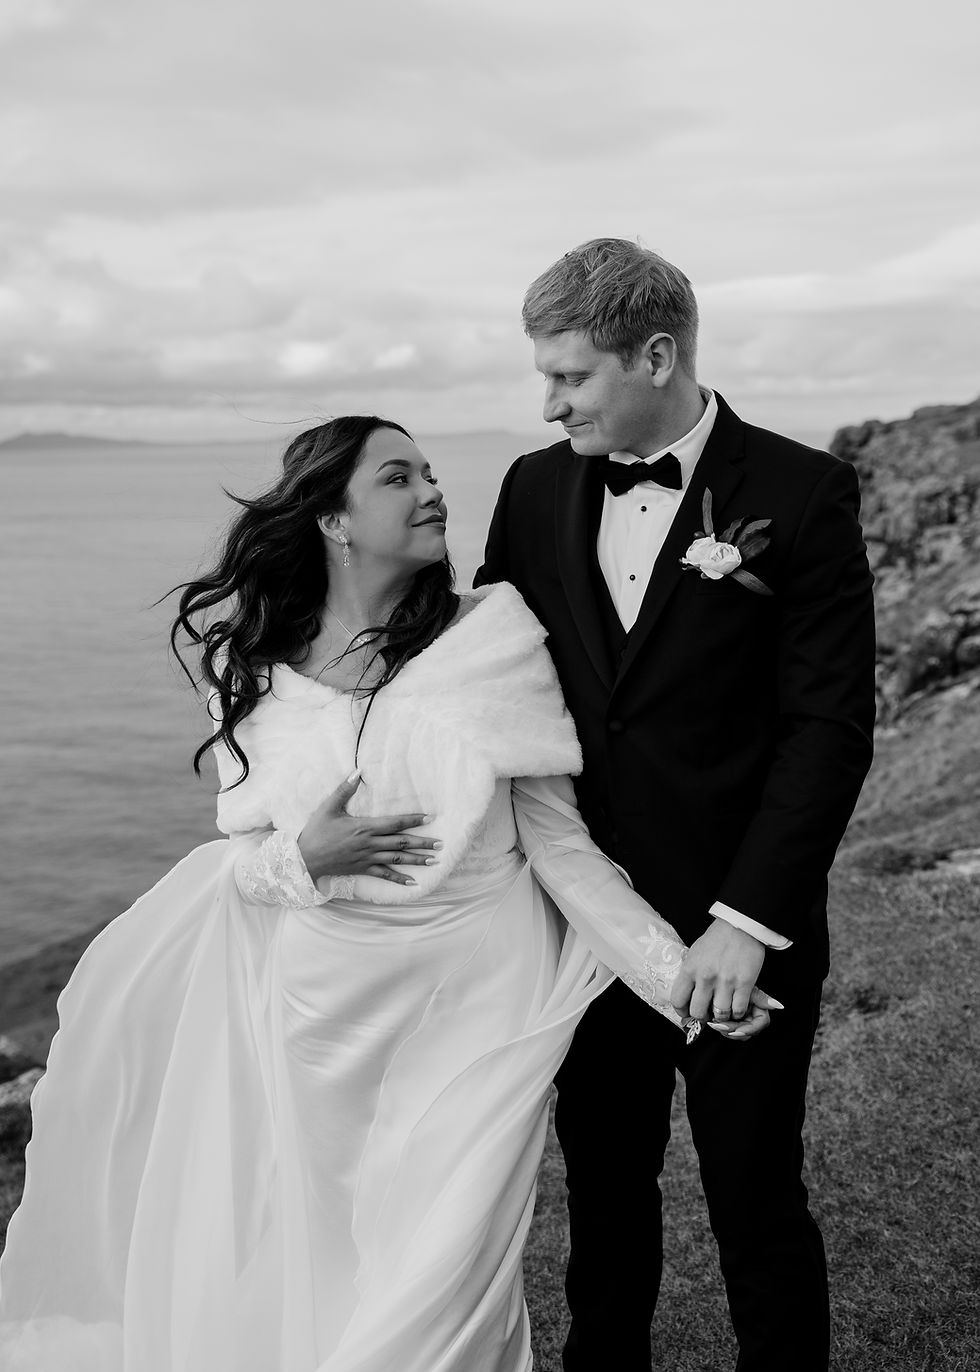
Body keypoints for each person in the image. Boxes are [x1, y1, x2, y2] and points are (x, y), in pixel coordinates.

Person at [0, 415, 776, 1372]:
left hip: (477, 1013)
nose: (432, 493)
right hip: (320, 1017)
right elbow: (242, 862)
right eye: (399, 479)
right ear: (333, 518)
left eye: (432, 473)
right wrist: (303, 857)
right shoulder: (247, 665)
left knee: (445, 1270)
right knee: (329, 1251)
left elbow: (561, 846)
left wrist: (679, 977)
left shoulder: (489, 633)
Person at [476, 239, 877, 1372]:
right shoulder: (530, 486)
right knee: (602, 1201)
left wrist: (743, 923)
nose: (549, 404)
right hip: (579, 923)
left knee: (756, 1201)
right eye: (545, 379)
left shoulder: (799, 492)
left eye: (569, 377)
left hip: (737, 928)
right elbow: (497, 681)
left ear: (654, 354)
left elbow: (827, 729)